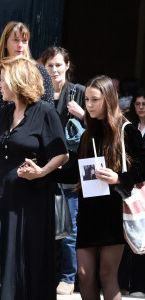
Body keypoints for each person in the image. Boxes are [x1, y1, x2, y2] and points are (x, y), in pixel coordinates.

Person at [0, 56, 68, 300]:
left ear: (18, 82)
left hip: (31, 200)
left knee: (27, 256)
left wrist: (40, 171)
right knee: (0, 254)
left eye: (2, 81)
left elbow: (61, 155)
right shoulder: (5, 112)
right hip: (0, 197)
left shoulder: (45, 112)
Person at [53, 75, 145, 300]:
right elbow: (74, 171)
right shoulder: (87, 135)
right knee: (84, 274)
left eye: (95, 100)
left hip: (114, 212)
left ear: (109, 100)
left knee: (106, 274)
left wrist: (118, 178)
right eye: (86, 100)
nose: (89, 105)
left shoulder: (127, 131)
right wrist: (44, 170)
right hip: (89, 211)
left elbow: (143, 168)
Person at [39, 46, 85, 295]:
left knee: (69, 230)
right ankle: (47, 274)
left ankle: (68, 277)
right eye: (50, 66)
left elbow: (102, 127)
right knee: (45, 227)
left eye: (59, 65)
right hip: (44, 171)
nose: (55, 70)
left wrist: (84, 115)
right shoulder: (39, 94)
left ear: (67, 65)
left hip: (70, 171)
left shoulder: (80, 93)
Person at [0, 21, 54, 151]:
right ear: (5, 43)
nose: (20, 45)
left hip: (30, 142)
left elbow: (49, 110)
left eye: (24, 41)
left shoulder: (40, 72)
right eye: (16, 40)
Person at [120, 87, 145, 297]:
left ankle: (139, 285)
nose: (141, 108)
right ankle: (128, 283)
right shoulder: (130, 128)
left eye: (144, 104)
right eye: (137, 104)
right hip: (135, 189)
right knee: (133, 234)